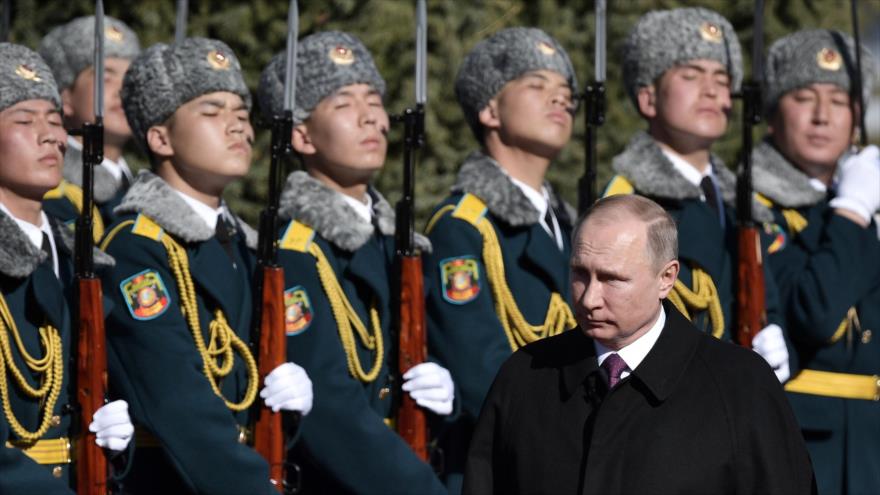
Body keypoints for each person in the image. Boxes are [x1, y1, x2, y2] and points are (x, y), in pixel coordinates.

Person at [463, 194, 816, 495]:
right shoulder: (526, 375)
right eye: (580, 274)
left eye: (612, 279)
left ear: (666, 278)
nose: (589, 299)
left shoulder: (740, 385)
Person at [99, 37, 313, 494]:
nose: (238, 128)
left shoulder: (248, 246)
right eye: (213, 112)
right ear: (160, 137)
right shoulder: (137, 248)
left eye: (242, 113)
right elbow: (181, 406)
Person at [257, 31, 452, 494]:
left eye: (374, 101)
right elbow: (329, 404)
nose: (371, 118)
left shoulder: (399, 243)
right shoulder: (296, 252)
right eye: (344, 104)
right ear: (302, 135)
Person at [423, 27, 578, 490]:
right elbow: (480, 368)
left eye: (566, 93)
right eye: (537, 86)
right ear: (490, 109)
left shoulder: (570, 225)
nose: (560, 101)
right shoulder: (462, 227)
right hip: (507, 467)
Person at [603, 7, 790, 381]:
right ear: (648, 98)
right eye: (691, 75)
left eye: (722, 78)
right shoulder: (629, 202)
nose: (712, 90)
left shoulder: (742, 202)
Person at [0, 42, 133, 494]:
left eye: (55, 121)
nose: (50, 136)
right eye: (24, 120)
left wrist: (117, 442)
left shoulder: (77, 251)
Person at [752, 29, 880, 494]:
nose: (822, 116)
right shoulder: (753, 207)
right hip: (802, 443)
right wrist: (852, 213)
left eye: (840, 101)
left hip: (869, 450)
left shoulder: (866, 202)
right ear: (771, 114)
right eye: (803, 97)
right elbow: (815, 313)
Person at [39, 15, 140, 237]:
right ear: (64, 97)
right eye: (106, 77)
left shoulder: (138, 187)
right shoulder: (53, 192)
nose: (123, 90)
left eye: (130, 80)